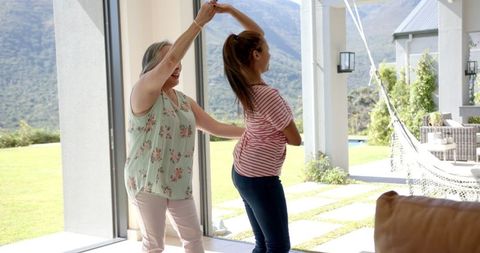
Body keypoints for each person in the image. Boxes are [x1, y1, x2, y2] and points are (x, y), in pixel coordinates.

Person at [124, 1, 244, 252]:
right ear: (153, 68)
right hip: (146, 181)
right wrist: (199, 22)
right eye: (171, 59)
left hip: (178, 182)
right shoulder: (143, 91)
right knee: (154, 245)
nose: (176, 64)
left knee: (193, 240)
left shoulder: (183, 101)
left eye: (178, 60)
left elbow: (216, 127)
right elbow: (170, 60)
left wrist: (256, 132)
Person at [218, 3, 302, 253]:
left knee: (263, 244)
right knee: (277, 246)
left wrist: (231, 11)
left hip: (242, 171)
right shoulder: (268, 96)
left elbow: (258, 35)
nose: (270, 55)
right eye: (266, 51)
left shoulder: (242, 83)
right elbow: (295, 139)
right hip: (260, 179)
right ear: (255, 54)